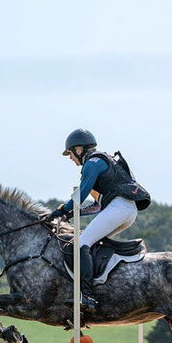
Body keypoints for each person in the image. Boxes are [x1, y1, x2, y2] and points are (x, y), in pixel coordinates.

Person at [46, 128, 150, 312]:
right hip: (126, 211)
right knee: (91, 242)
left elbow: (82, 193)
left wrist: (61, 210)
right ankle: (102, 282)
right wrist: (73, 214)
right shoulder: (103, 161)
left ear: (79, 149)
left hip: (119, 208)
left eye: (70, 153)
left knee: (81, 243)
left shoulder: (92, 163)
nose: (71, 159)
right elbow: (97, 206)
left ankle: (86, 295)